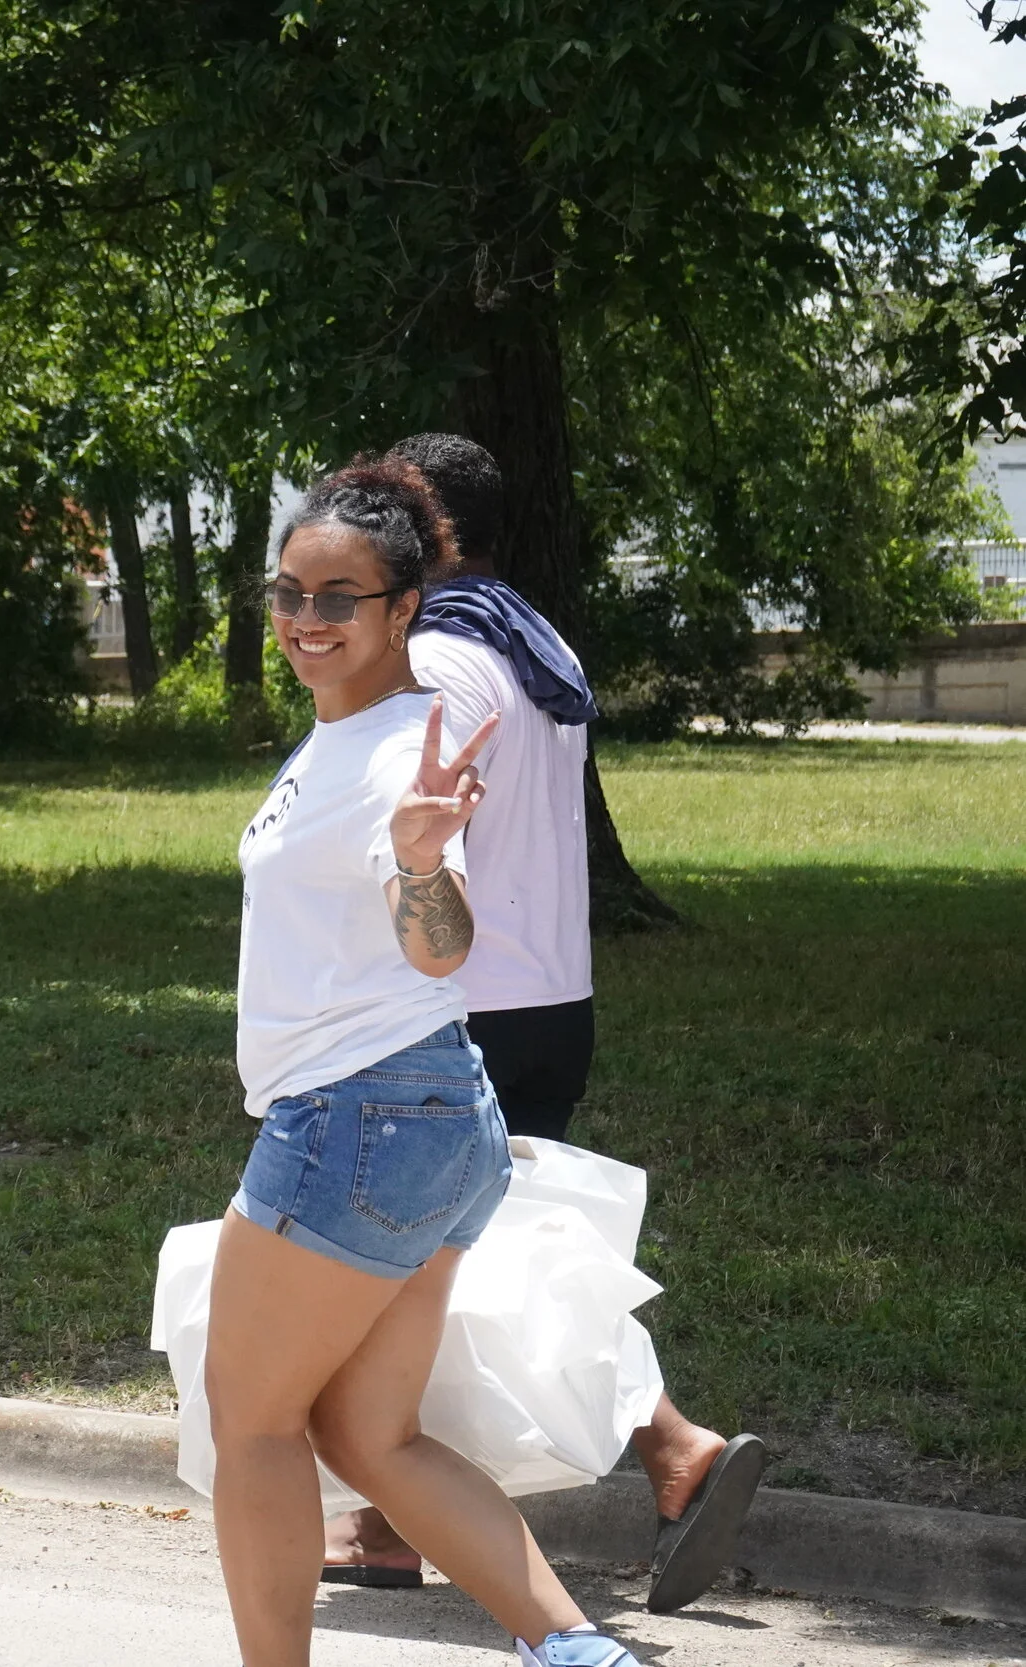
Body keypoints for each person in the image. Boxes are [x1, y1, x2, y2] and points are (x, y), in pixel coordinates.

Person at [314, 434, 764, 1615]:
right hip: (546, 993)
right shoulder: (530, 634)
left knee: (419, 1257)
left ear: (429, 536)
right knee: (445, 1260)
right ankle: (381, 1518)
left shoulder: (445, 658)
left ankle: (674, 1447)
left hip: (462, 1000)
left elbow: (419, 843)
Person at [206, 455, 641, 1667]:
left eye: (341, 596)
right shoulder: (338, 735)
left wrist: (417, 863)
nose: (307, 618)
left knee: (251, 1418)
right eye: (289, 591)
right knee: (369, 1432)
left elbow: (437, 943)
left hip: (360, 1118)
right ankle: (578, 1654)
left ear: (406, 608)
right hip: (435, 1118)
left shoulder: (406, 747)